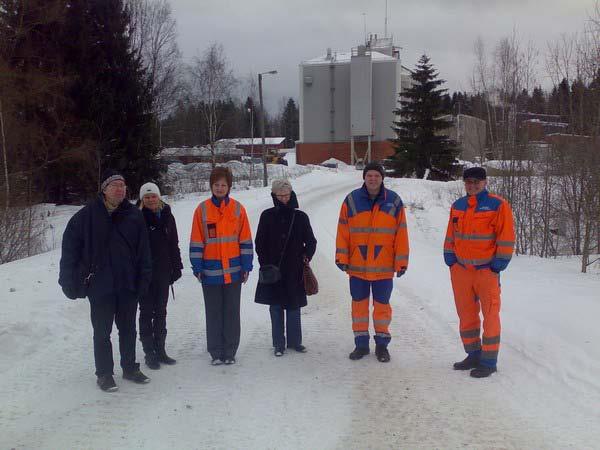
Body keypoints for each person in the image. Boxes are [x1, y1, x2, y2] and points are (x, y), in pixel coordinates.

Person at [59, 169, 152, 392]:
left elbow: (144, 252)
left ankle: (130, 368)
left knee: (128, 329)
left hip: (127, 284)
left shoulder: (134, 215)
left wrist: (144, 279)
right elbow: (70, 249)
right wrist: (68, 279)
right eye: (114, 185)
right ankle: (104, 373)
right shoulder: (86, 216)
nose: (120, 189)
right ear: (104, 190)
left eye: (123, 185)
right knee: (102, 332)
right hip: (100, 286)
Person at [443, 167, 515, 378]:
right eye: (468, 182)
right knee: (466, 314)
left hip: (486, 271)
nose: (472, 185)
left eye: (477, 181)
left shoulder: (497, 205)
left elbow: (506, 235)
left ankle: (489, 361)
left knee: (490, 315)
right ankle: (473, 354)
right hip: (461, 271)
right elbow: (451, 234)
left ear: (485, 182)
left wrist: (498, 263)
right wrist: (450, 257)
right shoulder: (458, 206)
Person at [335, 162, 409, 363]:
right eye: (370, 175)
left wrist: (401, 261)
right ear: (364, 178)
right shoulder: (351, 200)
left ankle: (382, 346)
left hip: (383, 267)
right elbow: (343, 231)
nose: (373, 179)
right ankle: (361, 345)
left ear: (382, 178)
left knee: (382, 307)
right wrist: (341, 257)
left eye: (377, 175)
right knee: (359, 306)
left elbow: (401, 233)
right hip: (357, 267)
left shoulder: (393, 201)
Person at [189, 166, 253, 365]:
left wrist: (246, 266)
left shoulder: (238, 209)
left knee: (232, 312)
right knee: (214, 312)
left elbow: (245, 241)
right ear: (211, 186)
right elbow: (196, 241)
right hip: (210, 272)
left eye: (223, 185)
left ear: (229, 187)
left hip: (234, 272)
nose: (219, 188)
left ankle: (230, 351)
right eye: (216, 184)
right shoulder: (202, 210)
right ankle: (216, 352)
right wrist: (197, 267)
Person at [254, 179, 317, 357]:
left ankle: (295, 342)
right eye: (280, 196)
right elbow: (259, 242)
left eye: (287, 195)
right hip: (273, 269)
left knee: (294, 306)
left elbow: (311, 241)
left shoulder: (301, 217)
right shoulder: (266, 216)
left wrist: (306, 256)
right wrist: (265, 263)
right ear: (274, 196)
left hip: (295, 270)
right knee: (275, 307)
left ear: (292, 195)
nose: (284, 199)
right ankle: (278, 344)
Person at [138, 182, 183, 370]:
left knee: (161, 311)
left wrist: (176, 266)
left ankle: (161, 349)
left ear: (159, 197)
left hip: (164, 271)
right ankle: (149, 353)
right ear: (142, 199)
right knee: (147, 312)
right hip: (144, 274)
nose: (150, 200)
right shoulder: (136, 217)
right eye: (146, 197)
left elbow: (173, 242)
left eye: (153, 196)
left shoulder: (167, 215)